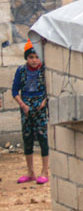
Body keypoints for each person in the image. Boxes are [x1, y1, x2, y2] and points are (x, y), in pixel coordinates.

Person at [12, 40, 48, 185]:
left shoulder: (44, 70)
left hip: (40, 108)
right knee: (27, 139)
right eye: (31, 57)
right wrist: (22, 104)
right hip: (26, 109)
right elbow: (15, 90)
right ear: (27, 58)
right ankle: (30, 172)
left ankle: (45, 171)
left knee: (43, 138)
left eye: (36, 57)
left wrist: (44, 102)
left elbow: (50, 89)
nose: (34, 60)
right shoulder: (21, 71)